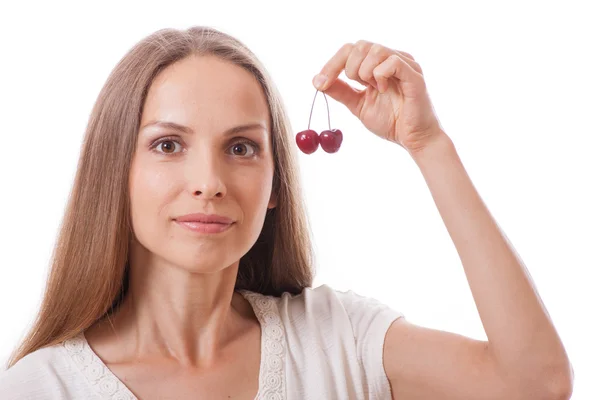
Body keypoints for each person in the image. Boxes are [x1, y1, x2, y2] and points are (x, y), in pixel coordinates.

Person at [0, 26, 573, 400]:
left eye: (242, 147)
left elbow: (536, 382)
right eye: (169, 145)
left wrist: (428, 144)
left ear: (276, 184)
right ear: (115, 170)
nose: (209, 183)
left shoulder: (336, 340)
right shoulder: (41, 387)